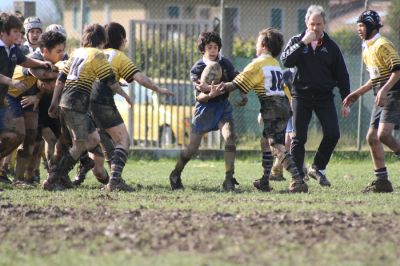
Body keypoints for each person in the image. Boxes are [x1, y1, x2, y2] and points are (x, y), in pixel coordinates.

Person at [84, 22, 174, 191]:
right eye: (124, 40)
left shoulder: (94, 53)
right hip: (102, 102)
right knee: (123, 140)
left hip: (84, 102)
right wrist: (157, 88)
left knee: (107, 145)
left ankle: (104, 175)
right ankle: (115, 181)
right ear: (121, 40)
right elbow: (139, 77)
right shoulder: (118, 56)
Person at [220, 28, 308, 193]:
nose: (256, 46)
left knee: (276, 146)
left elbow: (238, 82)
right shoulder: (275, 64)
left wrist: (218, 88)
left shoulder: (258, 63)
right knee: (265, 143)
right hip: (283, 106)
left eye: (257, 43)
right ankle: (265, 181)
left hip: (272, 107)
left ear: (265, 45)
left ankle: (298, 180)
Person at [44, 23, 130, 191]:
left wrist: (54, 102)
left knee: (93, 139)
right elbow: (110, 81)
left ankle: (57, 175)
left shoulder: (77, 52)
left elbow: (61, 78)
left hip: (66, 102)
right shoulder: (97, 54)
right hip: (76, 104)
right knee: (79, 144)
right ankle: (54, 178)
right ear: (103, 40)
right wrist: (126, 96)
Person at [280, 5, 350, 187]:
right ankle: (297, 178)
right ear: (306, 23)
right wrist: (303, 42)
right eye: (312, 24)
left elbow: (342, 75)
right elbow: (286, 60)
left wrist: (346, 99)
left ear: (324, 24)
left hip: (324, 97)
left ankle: (317, 167)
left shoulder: (332, 47)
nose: (315, 28)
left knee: (333, 133)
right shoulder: (296, 40)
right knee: (298, 137)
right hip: (300, 96)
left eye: (319, 24)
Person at [169, 31, 243, 191]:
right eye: (209, 47)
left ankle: (229, 178)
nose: (213, 50)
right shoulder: (198, 68)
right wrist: (210, 93)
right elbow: (199, 97)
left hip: (223, 106)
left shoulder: (226, 63)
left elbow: (238, 79)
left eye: (216, 47)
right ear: (203, 49)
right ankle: (176, 173)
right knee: (192, 147)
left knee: (230, 137)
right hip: (205, 109)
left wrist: (243, 94)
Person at [343, 10, 400, 193]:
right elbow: (375, 78)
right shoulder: (367, 48)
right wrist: (357, 94)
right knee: (372, 137)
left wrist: (384, 90)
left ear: (371, 27)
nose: (359, 29)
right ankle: (382, 182)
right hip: (382, 95)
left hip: (394, 94)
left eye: (362, 26)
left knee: (383, 135)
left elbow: (397, 70)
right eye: (358, 26)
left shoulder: (383, 44)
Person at [0, 13, 52, 184]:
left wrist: (41, 64)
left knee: (17, 135)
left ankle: (13, 174)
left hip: (3, 101)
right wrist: (11, 81)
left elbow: (25, 61)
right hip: (8, 98)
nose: (18, 35)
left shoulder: (13, 49)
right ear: (3, 32)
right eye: (15, 31)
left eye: (19, 31)